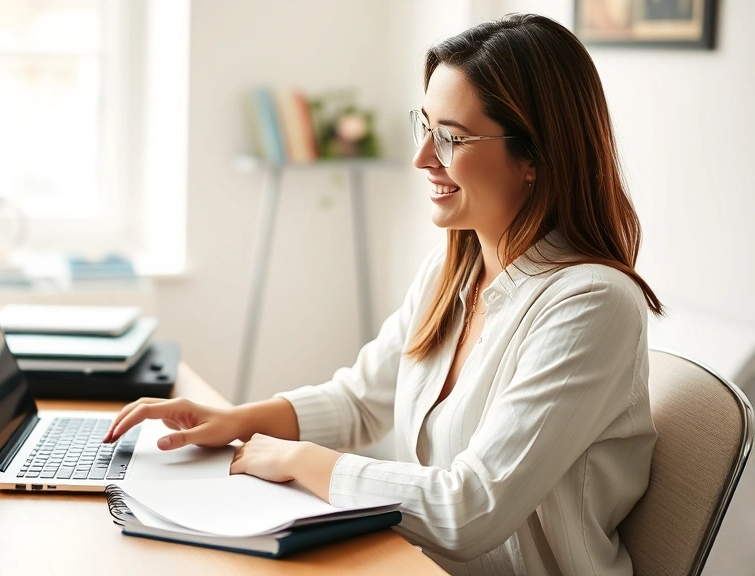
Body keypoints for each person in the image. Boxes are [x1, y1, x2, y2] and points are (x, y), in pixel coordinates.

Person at [105, 13, 662, 575]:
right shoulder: (453, 274)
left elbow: (469, 510)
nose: (422, 159)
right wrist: (235, 419)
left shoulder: (592, 304)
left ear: (536, 158)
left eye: (451, 138)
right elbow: (359, 400)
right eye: (425, 128)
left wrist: (299, 460)